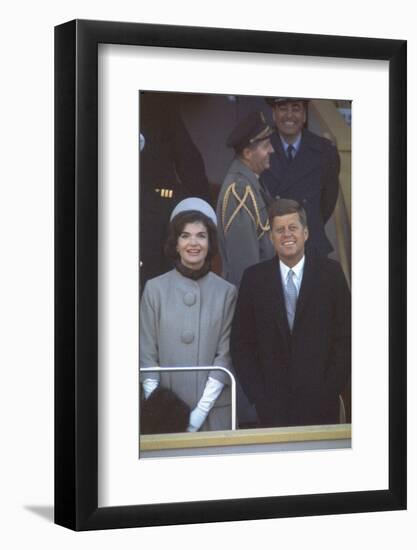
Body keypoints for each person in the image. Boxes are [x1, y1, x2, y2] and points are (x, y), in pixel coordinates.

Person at [230, 198, 351, 428]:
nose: (287, 234)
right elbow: (241, 344)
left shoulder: (331, 274)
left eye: (293, 228)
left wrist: (330, 390)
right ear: (271, 237)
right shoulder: (254, 279)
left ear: (305, 233)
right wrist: (259, 397)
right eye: (279, 230)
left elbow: (345, 337)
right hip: (271, 408)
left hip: (322, 405)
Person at [140, 198, 237, 433]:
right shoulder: (154, 289)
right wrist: (167, 413)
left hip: (213, 414)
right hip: (164, 419)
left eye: (201, 236)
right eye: (185, 236)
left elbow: (225, 356)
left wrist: (199, 414)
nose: (193, 243)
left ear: (210, 242)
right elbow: (146, 356)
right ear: (175, 243)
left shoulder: (227, 292)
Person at [261, 97, 340, 257]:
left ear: (304, 116)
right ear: (274, 114)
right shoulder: (260, 149)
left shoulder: (325, 151)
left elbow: (327, 203)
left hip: (310, 246)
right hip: (273, 248)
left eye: (296, 108)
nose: (289, 115)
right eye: (283, 108)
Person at [216, 111, 276, 288]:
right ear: (248, 153)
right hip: (250, 295)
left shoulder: (251, 182)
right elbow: (244, 264)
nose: (272, 150)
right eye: (265, 146)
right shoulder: (240, 191)